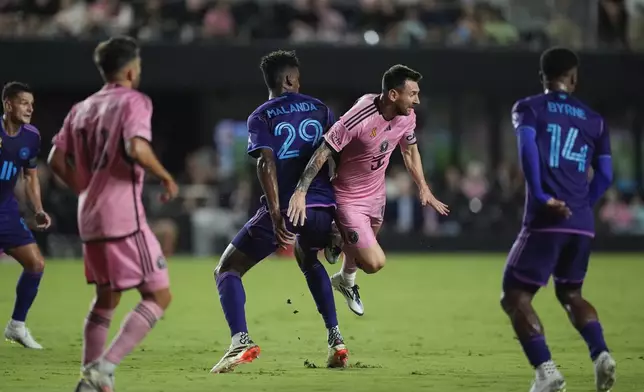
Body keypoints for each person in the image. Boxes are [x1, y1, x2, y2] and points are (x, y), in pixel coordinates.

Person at [48, 36, 179, 392]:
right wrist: (166, 176)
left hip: (88, 218)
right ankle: (103, 369)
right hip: (122, 216)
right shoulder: (134, 101)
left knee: (107, 298)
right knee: (159, 294)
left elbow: (55, 159)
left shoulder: (82, 107)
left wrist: (86, 189)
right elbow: (135, 146)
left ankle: (91, 382)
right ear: (132, 69)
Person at [210, 50, 348, 373]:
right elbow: (339, 159)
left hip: (288, 208)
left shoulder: (261, 116)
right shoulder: (321, 109)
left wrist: (275, 213)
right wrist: (338, 215)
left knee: (226, 270)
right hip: (323, 209)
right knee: (307, 257)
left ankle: (240, 340)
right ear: (288, 79)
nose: (299, 83)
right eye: (297, 77)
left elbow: (265, 162)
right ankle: (336, 339)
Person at [287, 65, 449, 316]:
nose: (417, 100)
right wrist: (300, 191)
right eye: (412, 94)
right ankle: (334, 235)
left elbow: (409, 150)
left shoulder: (407, 116)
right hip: (348, 198)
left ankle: (345, 279)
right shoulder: (359, 117)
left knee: (359, 253)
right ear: (393, 95)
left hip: (376, 194)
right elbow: (323, 150)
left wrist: (423, 187)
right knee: (374, 263)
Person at [501, 47, 615, 392]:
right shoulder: (595, 119)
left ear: (542, 77)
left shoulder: (529, 108)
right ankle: (601, 355)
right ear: (574, 78)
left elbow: (528, 151)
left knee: (515, 295)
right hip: (581, 222)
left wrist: (539, 194)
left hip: (545, 218)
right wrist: (583, 204)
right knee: (571, 293)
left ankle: (546, 372)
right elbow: (606, 175)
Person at [1, 81, 51, 349]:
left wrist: (38, 209)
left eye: (32, 103)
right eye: (24, 102)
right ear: (8, 104)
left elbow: (30, 177)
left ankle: (16, 326)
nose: (30, 108)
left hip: (5, 209)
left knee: (36, 265)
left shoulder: (31, 136)